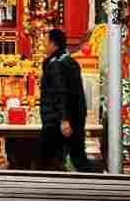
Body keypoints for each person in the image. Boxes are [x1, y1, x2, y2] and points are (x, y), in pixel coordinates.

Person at [39, 28, 90, 172]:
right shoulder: (70, 61)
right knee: (77, 155)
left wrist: (64, 119)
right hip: (75, 117)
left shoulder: (56, 64)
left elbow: (61, 92)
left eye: (45, 41)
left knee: (50, 159)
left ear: (53, 44)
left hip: (57, 121)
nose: (43, 45)